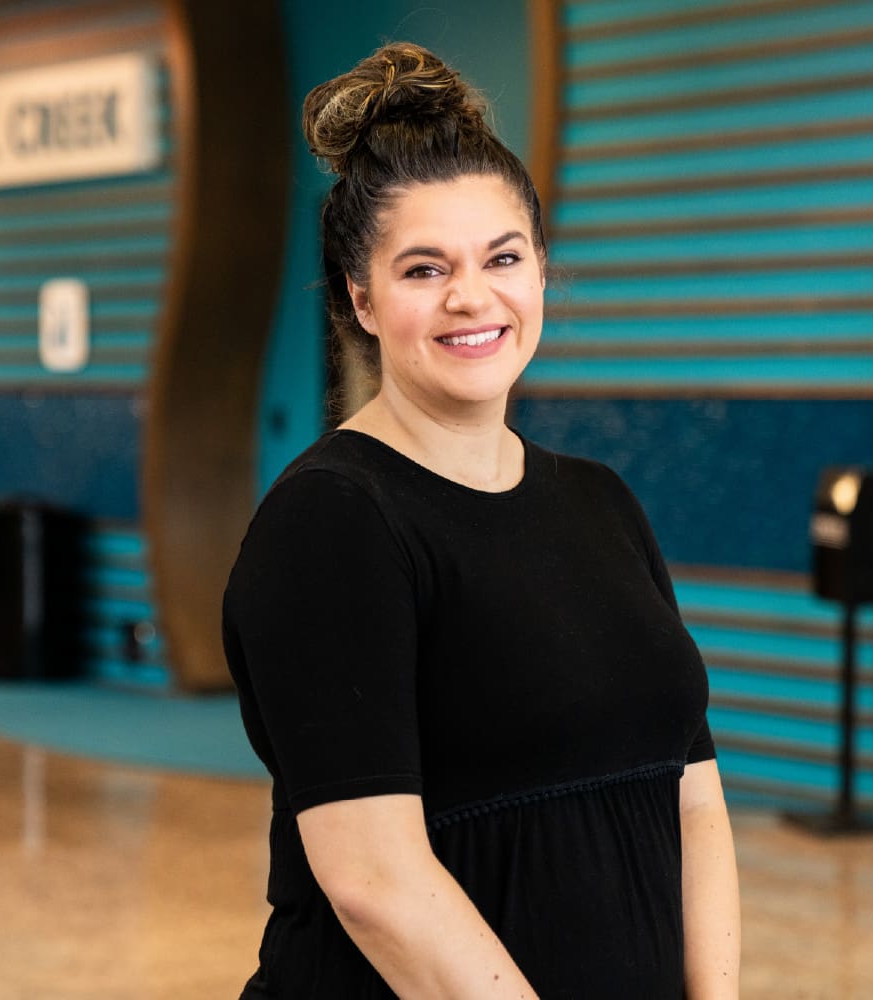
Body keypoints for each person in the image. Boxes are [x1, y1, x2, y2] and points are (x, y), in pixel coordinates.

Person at [222, 41, 740, 999]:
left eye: (502, 258)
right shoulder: (333, 522)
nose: (472, 296)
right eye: (424, 269)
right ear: (361, 298)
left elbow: (694, 797)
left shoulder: (602, 502)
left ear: (541, 271)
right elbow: (376, 882)